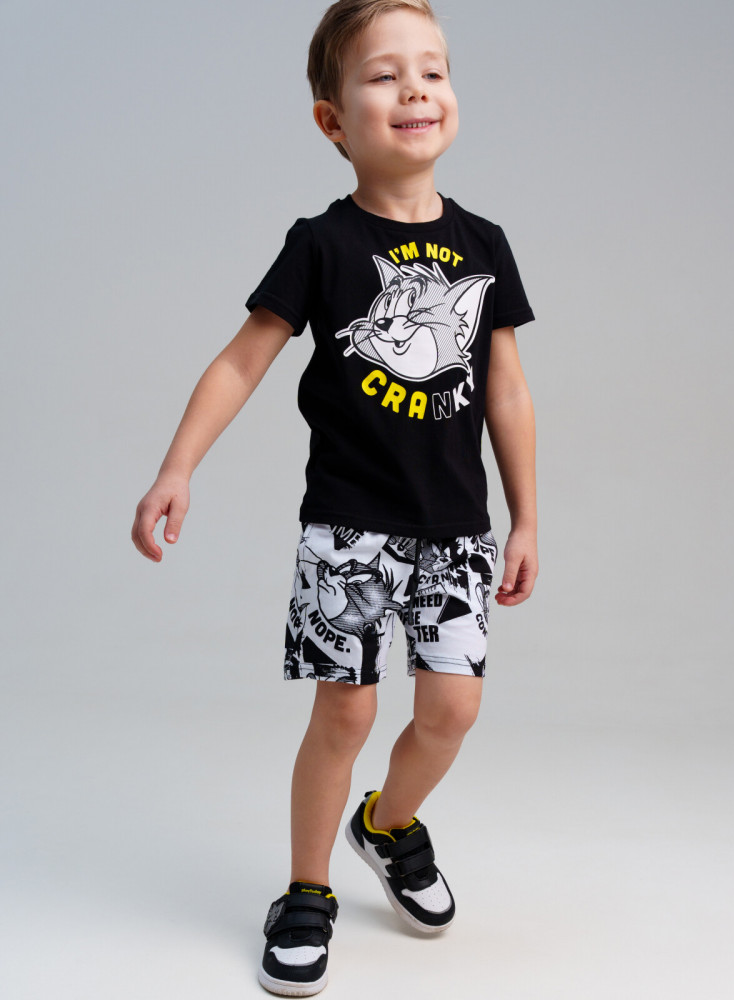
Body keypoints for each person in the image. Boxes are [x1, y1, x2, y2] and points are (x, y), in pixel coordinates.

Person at [131, 0, 538, 994]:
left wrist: (528, 516)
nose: (415, 89)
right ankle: (306, 889)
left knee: (452, 711)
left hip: (457, 531)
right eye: (384, 75)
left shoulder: (484, 243)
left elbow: (508, 390)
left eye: (432, 70)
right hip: (348, 529)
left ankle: (387, 824)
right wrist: (178, 465)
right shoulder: (323, 242)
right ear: (333, 120)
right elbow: (241, 361)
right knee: (345, 717)